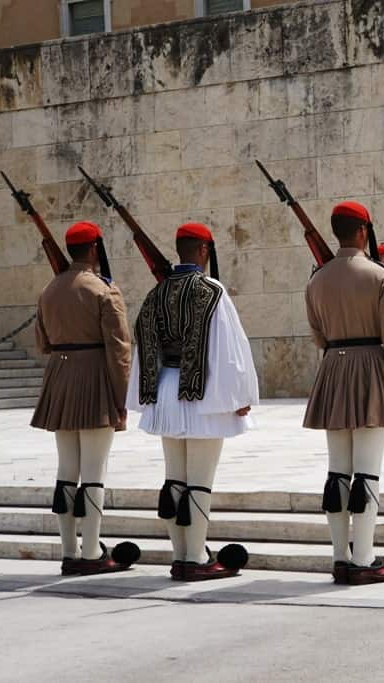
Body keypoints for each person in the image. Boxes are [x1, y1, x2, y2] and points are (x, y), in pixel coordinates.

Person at [128, 222, 258, 581]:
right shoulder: (211, 290)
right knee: (199, 480)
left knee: (175, 479)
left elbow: (143, 345)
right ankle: (196, 559)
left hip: (166, 391)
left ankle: (181, 555)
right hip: (201, 393)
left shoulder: (156, 292)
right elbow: (228, 348)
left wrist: (147, 394)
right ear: (204, 251)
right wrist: (240, 395)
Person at [304, 202, 384, 585]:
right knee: (366, 473)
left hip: (334, 369)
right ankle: (364, 560)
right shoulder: (381, 276)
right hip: (371, 371)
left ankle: (340, 558)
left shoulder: (317, 279)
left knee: (337, 473)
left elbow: (318, 335)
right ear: (364, 231)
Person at [31, 221, 137, 575]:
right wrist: (121, 398)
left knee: (66, 471)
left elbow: (42, 342)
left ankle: (68, 552)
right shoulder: (103, 291)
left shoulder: (49, 289)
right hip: (93, 379)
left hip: (60, 378)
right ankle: (91, 553)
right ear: (95, 249)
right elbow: (120, 350)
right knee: (93, 472)